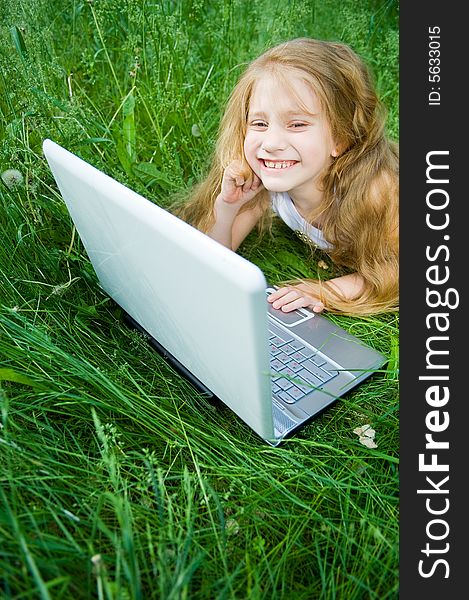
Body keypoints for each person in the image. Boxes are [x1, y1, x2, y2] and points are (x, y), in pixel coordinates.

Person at [173, 38, 398, 315]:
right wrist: (227, 208)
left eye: (297, 124)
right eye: (259, 123)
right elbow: (214, 259)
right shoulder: (264, 182)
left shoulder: (378, 189)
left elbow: (398, 271)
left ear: (340, 137)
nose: (271, 143)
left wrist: (325, 291)